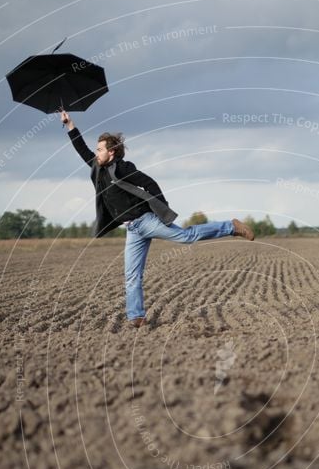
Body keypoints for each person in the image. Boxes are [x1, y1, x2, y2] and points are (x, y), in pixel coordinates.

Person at [60, 110, 254, 328]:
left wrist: (163, 209)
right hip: (132, 229)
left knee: (185, 236)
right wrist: (70, 125)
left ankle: (231, 226)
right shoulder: (97, 167)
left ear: (112, 153)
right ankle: (137, 317)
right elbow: (81, 150)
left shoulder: (123, 168)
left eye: (100, 149)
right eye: (96, 149)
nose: (96, 153)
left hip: (147, 220)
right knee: (132, 275)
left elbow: (149, 183)